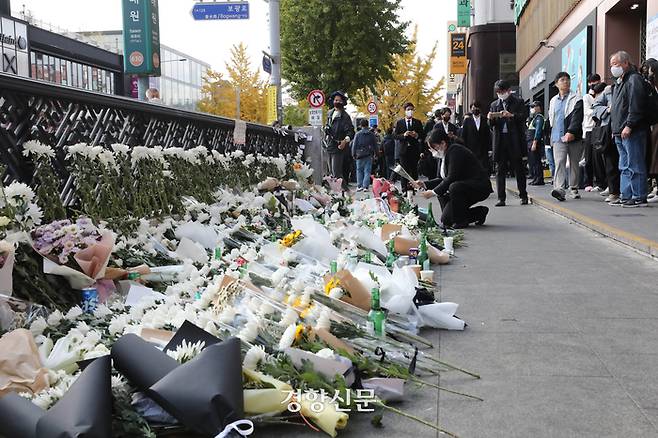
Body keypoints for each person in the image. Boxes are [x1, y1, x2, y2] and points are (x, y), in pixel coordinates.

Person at [412, 129, 492, 228]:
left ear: (443, 143)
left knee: (453, 187)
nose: (432, 151)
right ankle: (478, 213)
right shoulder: (443, 156)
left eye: (433, 147)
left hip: (477, 187)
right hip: (463, 189)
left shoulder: (455, 151)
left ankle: (461, 221)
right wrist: (424, 184)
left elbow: (451, 177)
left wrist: (433, 192)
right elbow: (441, 179)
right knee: (446, 220)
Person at [610, 51, 649, 207]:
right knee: (624, 166)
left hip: (632, 130)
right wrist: (615, 130)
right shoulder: (621, 81)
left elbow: (636, 105)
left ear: (625, 63)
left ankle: (639, 196)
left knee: (634, 164)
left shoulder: (633, 80)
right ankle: (626, 195)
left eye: (615, 65)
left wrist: (629, 125)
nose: (612, 68)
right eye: (611, 65)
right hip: (620, 131)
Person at [488, 79, 528, 206]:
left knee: (519, 169)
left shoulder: (518, 102)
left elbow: (523, 117)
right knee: (500, 170)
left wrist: (511, 115)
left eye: (502, 91)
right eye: (498, 92)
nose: (500, 94)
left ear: (508, 90)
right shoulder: (494, 104)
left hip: (514, 140)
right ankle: (501, 198)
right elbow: (492, 126)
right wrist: (490, 118)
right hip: (500, 141)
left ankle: (523, 195)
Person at [548, 71, 584, 202]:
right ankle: (559, 189)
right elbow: (552, 119)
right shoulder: (553, 101)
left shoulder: (577, 97)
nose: (566, 82)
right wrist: (551, 135)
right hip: (558, 136)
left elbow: (577, 117)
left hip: (573, 136)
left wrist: (571, 132)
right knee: (559, 162)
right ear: (557, 84)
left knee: (574, 163)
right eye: (562, 80)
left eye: (568, 79)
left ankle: (573, 188)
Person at [592, 83, 621, 204]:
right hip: (609, 131)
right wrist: (607, 110)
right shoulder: (609, 90)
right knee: (610, 163)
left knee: (627, 163)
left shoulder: (630, 86)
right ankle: (614, 192)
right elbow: (596, 106)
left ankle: (629, 192)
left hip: (625, 128)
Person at [324, 91, 355, 191]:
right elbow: (327, 125)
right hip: (329, 144)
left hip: (338, 146)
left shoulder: (345, 116)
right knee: (331, 173)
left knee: (336, 172)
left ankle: (346, 192)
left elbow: (351, 132)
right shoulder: (330, 113)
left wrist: (345, 141)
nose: (337, 102)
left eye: (339, 100)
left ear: (343, 102)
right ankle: (337, 192)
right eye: (335, 100)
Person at [394, 102, 425, 192]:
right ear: (405, 111)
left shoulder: (417, 122)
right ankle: (404, 189)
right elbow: (395, 136)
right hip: (403, 150)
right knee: (404, 170)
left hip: (414, 149)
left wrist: (416, 135)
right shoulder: (400, 123)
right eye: (408, 110)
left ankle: (414, 187)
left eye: (411, 110)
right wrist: (403, 135)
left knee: (414, 169)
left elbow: (422, 136)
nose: (410, 111)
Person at [583, 74, 606, 192]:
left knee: (598, 157)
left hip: (600, 128)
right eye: (592, 82)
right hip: (589, 129)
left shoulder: (603, 93)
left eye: (597, 82)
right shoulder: (587, 97)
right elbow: (587, 111)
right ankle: (588, 182)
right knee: (588, 157)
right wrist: (598, 111)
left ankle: (600, 182)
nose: (595, 84)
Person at [640, 58, 658, 203]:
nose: (646, 72)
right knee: (653, 157)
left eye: (648, 69)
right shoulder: (650, 85)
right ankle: (655, 188)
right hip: (653, 124)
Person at [461, 102, 491, 173]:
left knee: (483, 168)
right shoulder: (467, 121)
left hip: (483, 148)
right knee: (472, 168)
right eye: (473, 108)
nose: (475, 109)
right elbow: (464, 135)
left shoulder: (484, 119)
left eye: (477, 108)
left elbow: (488, 135)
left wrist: (490, 148)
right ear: (471, 109)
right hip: (470, 148)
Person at [351, 118, 379, 192]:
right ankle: (365, 187)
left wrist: (353, 154)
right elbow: (375, 145)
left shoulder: (358, 134)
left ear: (361, 125)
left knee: (359, 170)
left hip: (359, 155)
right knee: (367, 171)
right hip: (368, 155)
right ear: (367, 125)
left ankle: (359, 186)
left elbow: (354, 145)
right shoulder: (371, 134)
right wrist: (376, 154)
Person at [526, 101, 546, 185]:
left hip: (535, 142)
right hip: (530, 142)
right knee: (533, 162)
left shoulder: (539, 118)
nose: (532, 109)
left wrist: (534, 143)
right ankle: (535, 178)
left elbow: (538, 131)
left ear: (538, 107)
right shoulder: (534, 118)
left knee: (537, 161)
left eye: (534, 106)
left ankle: (539, 179)